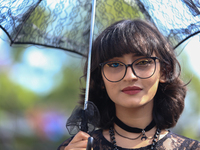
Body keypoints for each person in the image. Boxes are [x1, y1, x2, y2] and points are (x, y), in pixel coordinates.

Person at [57, 19, 200, 150]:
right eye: (114, 64)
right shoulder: (75, 147)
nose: (130, 76)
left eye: (143, 62)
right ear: (100, 78)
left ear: (164, 71)